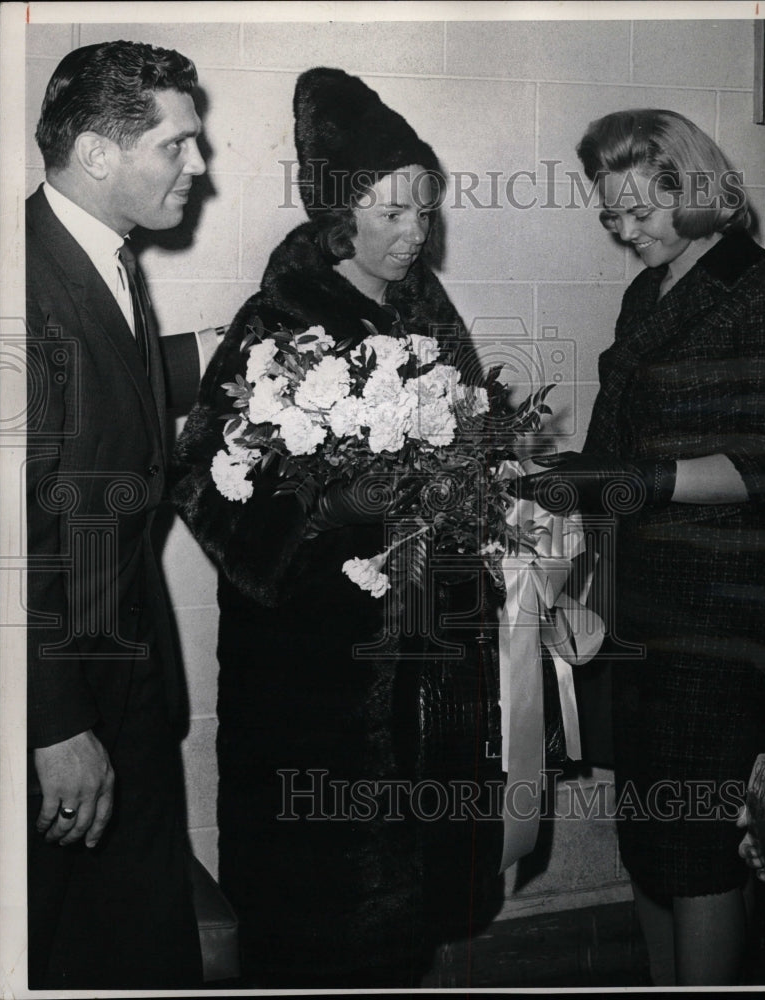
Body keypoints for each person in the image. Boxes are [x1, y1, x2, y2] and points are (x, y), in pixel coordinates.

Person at [172, 67, 504, 988]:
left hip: (426, 668)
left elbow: (477, 454)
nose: (413, 235)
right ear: (338, 210)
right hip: (312, 681)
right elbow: (206, 483)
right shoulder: (279, 323)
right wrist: (334, 519)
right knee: (317, 922)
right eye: (392, 214)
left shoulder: (428, 314)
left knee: (414, 919)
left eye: (424, 213)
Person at [518, 109, 765, 985]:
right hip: (640, 601)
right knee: (648, 836)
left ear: (693, 190)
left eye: (639, 210)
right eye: (610, 215)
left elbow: (763, 467)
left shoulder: (755, 289)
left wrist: (629, 480)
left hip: (719, 611)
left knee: (699, 847)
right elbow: (612, 449)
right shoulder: (648, 291)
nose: (624, 232)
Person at [26, 40, 222, 988]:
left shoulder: (98, 256)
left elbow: (96, 391)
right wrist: (51, 723)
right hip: (60, 701)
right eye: (178, 145)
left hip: (126, 676)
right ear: (99, 154)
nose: (199, 165)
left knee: (134, 945)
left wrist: (228, 355)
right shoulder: (21, 283)